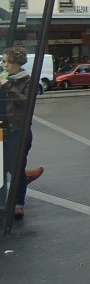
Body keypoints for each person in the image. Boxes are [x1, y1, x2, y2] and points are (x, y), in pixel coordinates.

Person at [0, 46, 43, 220]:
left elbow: (26, 102)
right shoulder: (3, 77)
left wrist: (8, 86)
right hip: (2, 131)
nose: (5, 65)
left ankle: (18, 204)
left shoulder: (27, 81)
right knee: (2, 169)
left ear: (18, 64)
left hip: (18, 131)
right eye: (3, 61)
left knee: (16, 169)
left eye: (8, 62)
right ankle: (3, 202)